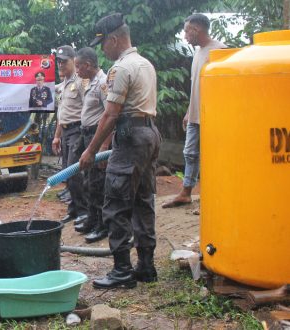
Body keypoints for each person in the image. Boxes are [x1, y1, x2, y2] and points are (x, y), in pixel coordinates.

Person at [79, 13, 161, 289]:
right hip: (150, 134)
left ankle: (122, 271)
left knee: (115, 204)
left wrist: (91, 151)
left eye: (103, 45)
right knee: (143, 200)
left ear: (114, 39)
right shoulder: (145, 64)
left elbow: (111, 115)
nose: (103, 50)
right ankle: (146, 267)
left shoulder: (121, 68)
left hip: (130, 139)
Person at [162, 13, 226, 210]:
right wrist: (189, 111)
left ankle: (213, 196)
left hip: (213, 115)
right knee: (189, 153)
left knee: (212, 155)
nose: (185, 36)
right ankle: (186, 192)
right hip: (196, 114)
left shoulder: (220, 51)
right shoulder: (198, 52)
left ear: (196, 30)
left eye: (187, 31)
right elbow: (195, 85)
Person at [74, 47, 111, 243]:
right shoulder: (88, 83)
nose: (77, 70)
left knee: (98, 183)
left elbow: (110, 117)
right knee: (88, 181)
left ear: (88, 65)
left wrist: (103, 147)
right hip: (87, 136)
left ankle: (102, 225)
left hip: (97, 139)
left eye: (79, 66)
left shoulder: (103, 83)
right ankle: (92, 218)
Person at [51, 45, 89, 225]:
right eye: (58, 62)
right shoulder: (63, 85)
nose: (60, 65)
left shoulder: (81, 81)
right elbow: (61, 114)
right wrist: (57, 136)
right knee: (67, 171)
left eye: (64, 62)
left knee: (75, 172)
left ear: (73, 61)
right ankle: (73, 209)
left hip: (78, 130)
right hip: (65, 131)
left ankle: (83, 211)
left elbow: (88, 109)